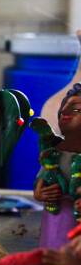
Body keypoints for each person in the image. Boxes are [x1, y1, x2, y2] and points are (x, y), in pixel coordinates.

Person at [34, 83, 81, 249]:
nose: (65, 112)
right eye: (64, 107)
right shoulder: (53, 154)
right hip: (55, 219)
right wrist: (40, 193)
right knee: (50, 252)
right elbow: (42, 178)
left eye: (76, 109)